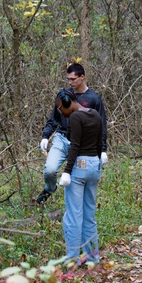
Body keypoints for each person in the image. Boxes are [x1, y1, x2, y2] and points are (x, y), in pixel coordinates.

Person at [36, 62, 108, 205]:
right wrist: (45, 136)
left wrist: (103, 149)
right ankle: (50, 188)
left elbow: (101, 125)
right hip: (61, 138)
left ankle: (74, 206)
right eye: (68, 79)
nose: (70, 82)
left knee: (75, 178)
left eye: (73, 79)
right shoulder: (64, 95)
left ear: (82, 77)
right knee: (49, 170)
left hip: (82, 143)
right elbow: (54, 118)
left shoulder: (94, 99)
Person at [55, 89, 103, 263]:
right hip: (94, 165)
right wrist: (97, 164)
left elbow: (74, 146)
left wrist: (67, 171)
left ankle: (73, 259)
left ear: (68, 102)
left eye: (61, 108)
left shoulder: (75, 118)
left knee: (74, 215)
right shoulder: (96, 114)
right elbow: (100, 142)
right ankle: (92, 258)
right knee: (89, 214)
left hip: (79, 166)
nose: (61, 112)